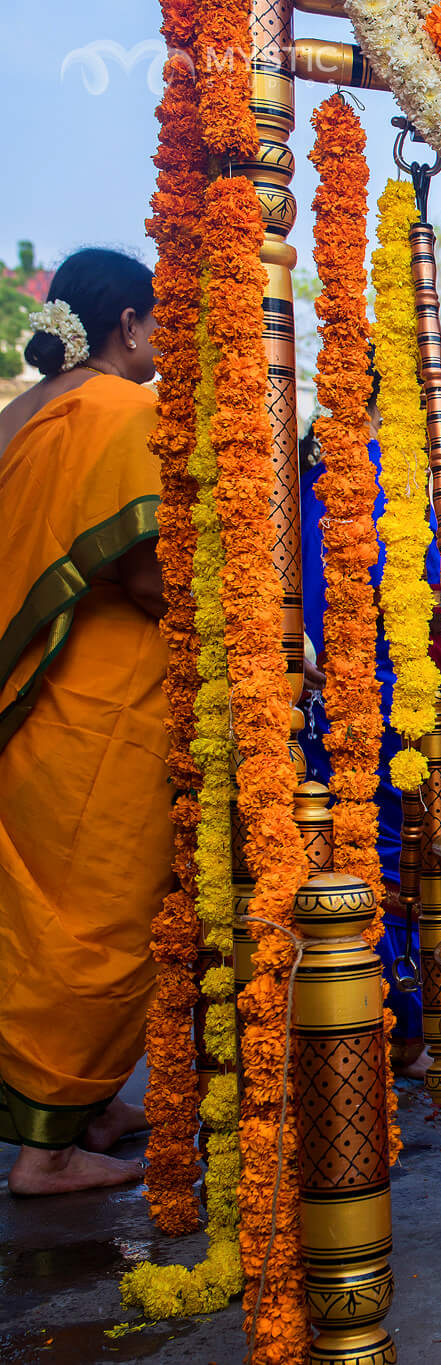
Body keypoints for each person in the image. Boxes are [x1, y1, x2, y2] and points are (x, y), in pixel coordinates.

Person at [0, 249, 162, 1194]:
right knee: (98, 914)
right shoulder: (121, 412)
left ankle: (90, 1109)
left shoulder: (25, 415)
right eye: (160, 325)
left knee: (40, 907)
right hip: (104, 703)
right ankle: (45, 1154)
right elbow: (144, 576)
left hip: (32, 702)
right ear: (128, 325)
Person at [298, 367, 440, 1079]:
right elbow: (428, 588)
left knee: (325, 855)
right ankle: (397, 1028)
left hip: (314, 701)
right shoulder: (394, 476)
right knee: (387, 859)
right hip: (381, 702)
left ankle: (345, 1021)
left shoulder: (301, 474)